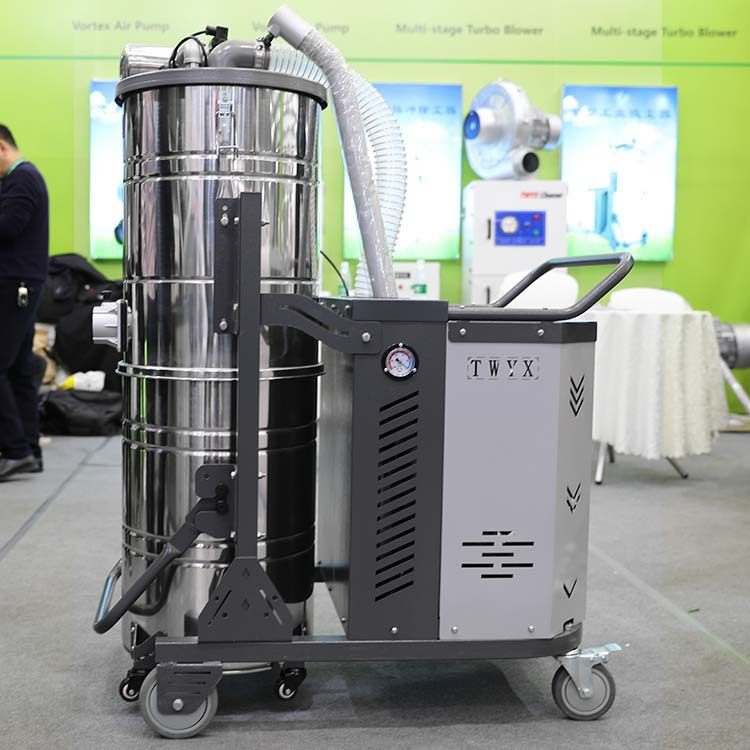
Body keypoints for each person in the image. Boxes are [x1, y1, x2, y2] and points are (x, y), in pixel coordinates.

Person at [0, 124, 49, 480]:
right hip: (20, 284)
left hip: (14, 284)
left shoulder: (22, 179)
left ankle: (16, 450)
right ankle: (29, 449)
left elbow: (7, 228)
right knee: (18, 369)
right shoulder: (21, 179)